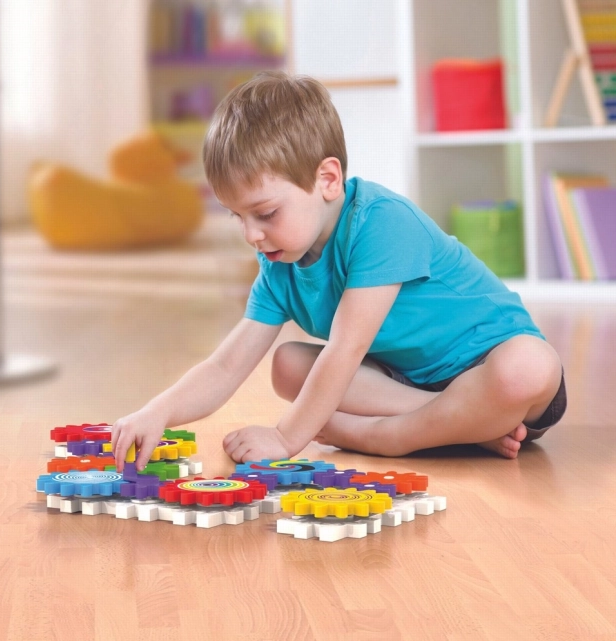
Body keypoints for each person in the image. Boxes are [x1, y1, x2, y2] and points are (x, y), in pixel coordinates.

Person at [111, 71, 566, 471]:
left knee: (529, 366)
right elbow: (225, 365)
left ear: (327, 180)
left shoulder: (381, 222)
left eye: (265, 213)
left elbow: (346, 350)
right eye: (238, 216)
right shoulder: (280, 262)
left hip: (492, 369)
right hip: (410, 385)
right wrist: (157, 411)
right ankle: (465, 425)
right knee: (288, 365)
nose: (251, 234)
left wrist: (287, 437)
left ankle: (386, 437)